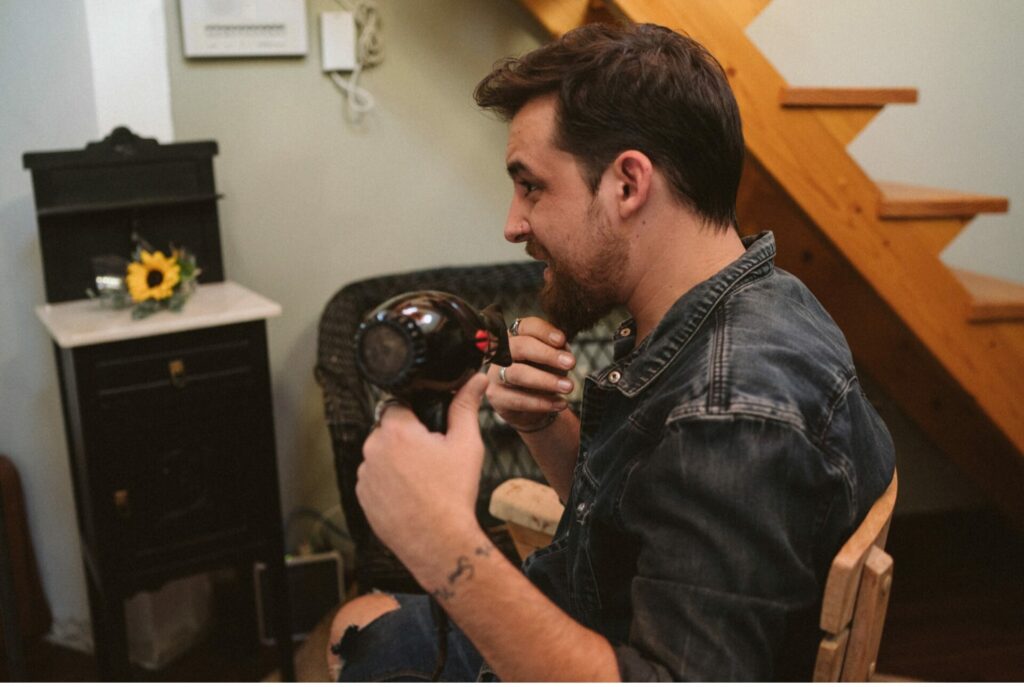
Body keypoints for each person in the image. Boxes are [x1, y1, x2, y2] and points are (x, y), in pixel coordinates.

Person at [326, 21, 895, 681]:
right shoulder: (746, 298)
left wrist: (446, 545)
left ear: (627, 184)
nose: (514, 224)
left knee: (355, 636)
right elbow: (639, 528)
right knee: (357, 622)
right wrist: (542, 423)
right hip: (589, 611)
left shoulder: (733, 409)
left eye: (531, 185)